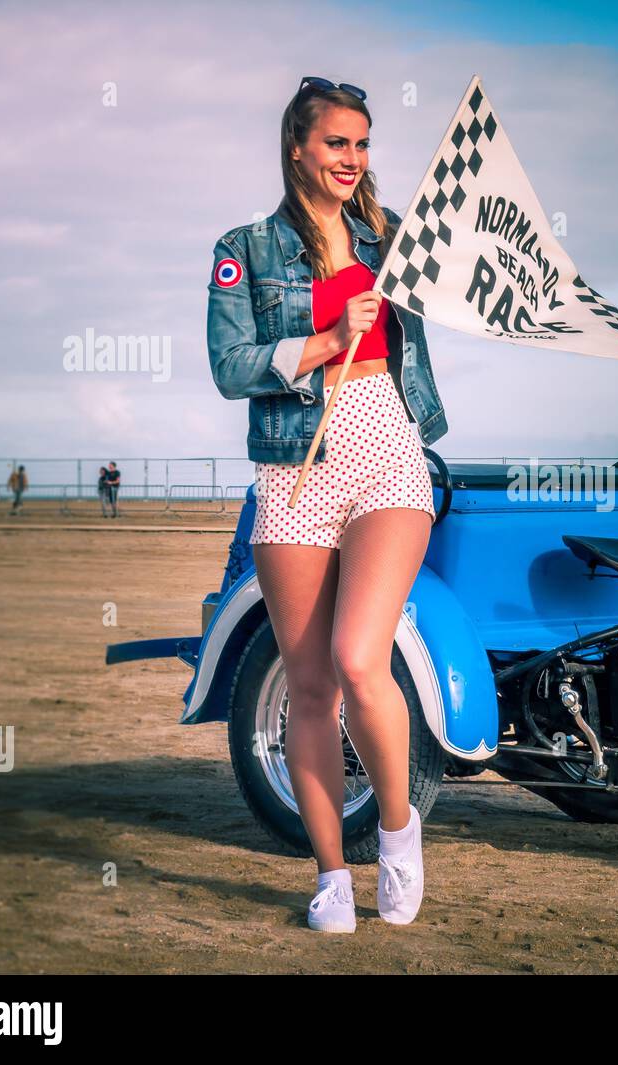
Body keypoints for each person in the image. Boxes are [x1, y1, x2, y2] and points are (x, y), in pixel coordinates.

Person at [207, 76, 448, 934]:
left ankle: (396, 831)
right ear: (298, 148)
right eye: (337, 142)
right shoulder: (245, 248)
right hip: (294, 470)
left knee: (356, 658)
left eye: (363, 144)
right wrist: (321, 341)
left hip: (386, 451)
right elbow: (230, 365)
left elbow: (468, 279)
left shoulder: (396, 244)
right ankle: (332, 877)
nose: (352, 159)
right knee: (309, 688)